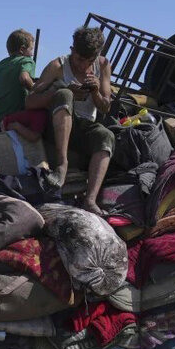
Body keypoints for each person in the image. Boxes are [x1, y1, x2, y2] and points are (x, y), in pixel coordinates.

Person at [25, 26, 116, 214]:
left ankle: (90, 200)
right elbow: (30, 101)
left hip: (83, 127)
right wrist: (62, 92)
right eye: (79, 59)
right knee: (64, 94)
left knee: (106, 135)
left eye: (89, 61)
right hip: (55, 127)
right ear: (72, 50)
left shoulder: (103, 65)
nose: (83, 66)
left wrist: (95, 91)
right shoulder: (58, 66)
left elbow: (105, 107)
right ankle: (62, 165)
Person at [0, 29, 42, 140]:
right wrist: (37, 92)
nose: (32, 54)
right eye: (31, 49)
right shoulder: (26, 61)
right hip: (14, 114)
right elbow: (24, 78)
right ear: (22, 49)